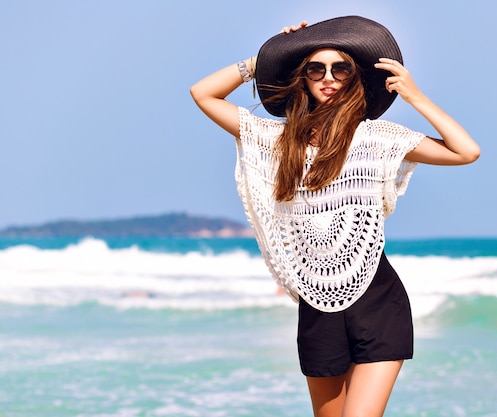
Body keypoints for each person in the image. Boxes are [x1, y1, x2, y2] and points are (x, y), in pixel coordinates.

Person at [191, 15, 479, 417]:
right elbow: (203, 94)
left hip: (377, 301)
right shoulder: (276, 141)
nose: (328, 77)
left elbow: (465, 151)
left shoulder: (377, 138)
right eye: (315, 68)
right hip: (316, 306)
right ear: (303, 77)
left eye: (340, 67)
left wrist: (416, 97)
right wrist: (266, 58)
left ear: (354, 77)